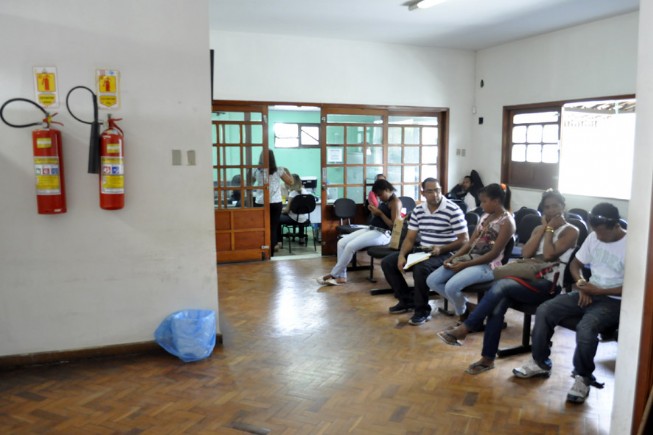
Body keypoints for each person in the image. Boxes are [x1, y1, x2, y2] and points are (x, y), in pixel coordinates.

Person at [436, 189, 579, 376]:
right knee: (498, 303)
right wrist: (543, 229)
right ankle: (487, 359)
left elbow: (549, 255)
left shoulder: (571, 230)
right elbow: (526, 254)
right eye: (547, 207)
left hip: (548, 284)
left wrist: (550, 229)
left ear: (563, 206)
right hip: (527, 278)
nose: (551, 210)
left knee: (501, 286)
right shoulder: (539, 228)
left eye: (555, 206)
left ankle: (466, 328)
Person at [512, 202, 626, 404]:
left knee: (586, 327)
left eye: (601, 232)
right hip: (588, 291)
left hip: (614, 300)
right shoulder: (594, 236)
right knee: (545, 309)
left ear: (616, 226)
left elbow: (636, 287)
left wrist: (599, 291)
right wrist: (581, 283)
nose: (598, 236)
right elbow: (575, 264)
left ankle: (583, 377)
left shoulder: (633, 246)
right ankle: (540, 362)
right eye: (595, 231)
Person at [383, 178, 468, 325]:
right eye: (430, 191)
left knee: (421, 268)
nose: (435, 194)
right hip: (424, 251)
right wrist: (402, 255)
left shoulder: (453, 210)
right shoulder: (418, 210)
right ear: (423, 193)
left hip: (446, 253)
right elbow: (410, 238)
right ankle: (406, 300)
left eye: (437, 190)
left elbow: (464, 240)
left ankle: (422, 310)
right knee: (388, 263)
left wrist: (442, 249)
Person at [427, 183, 515, 324]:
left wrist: (465, 265)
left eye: (484, 201)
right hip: (472, 259)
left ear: (496, 201)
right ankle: (469, 306)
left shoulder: (507, 222)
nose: (481, 205)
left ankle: (465, 317)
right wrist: (453, 257)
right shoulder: (485, 216)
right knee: (432, 280)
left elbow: (494, 254)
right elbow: (470, 243)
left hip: (489, 265)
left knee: (451, 287)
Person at [318, 179, 402, 286]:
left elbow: (394, 226)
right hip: (372, 229)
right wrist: (375, 211)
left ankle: (334, 274)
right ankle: (342, 276)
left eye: (380, 195)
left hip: (383, 234)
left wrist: (380, 214)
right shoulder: (386, 200)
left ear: (387, 190)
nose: (379, 197)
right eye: (378, 196)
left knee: (350, 246)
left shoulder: (395, 202)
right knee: (341, 242)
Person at [254, 150, 293, 256]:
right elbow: (290, 182)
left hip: (260, 202)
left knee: (261, 226)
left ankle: (262, 249)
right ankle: (270, 252)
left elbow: (249, 182)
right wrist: (287, 171)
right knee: (273, 227)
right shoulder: (279, 170)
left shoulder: (256, 170)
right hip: (275, 202)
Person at [280, 174, 310, 243]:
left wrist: (281, 211)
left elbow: (287, 210)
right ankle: (301, 237)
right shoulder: (305, 191)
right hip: (304, 218)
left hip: (293, 218)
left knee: (277, 219)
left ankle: (279, 240)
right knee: (300, 215)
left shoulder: (292, 193)